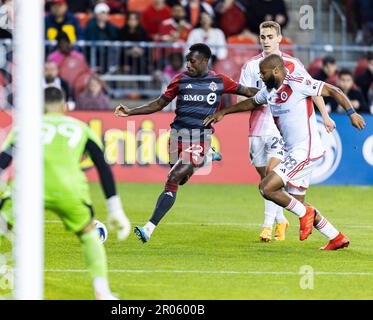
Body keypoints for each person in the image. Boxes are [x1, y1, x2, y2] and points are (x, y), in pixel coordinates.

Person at [0, 87, 131, 300]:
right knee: (88, 234)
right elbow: (102, 167)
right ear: (65, 107)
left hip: (28, 188)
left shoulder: (27, 127)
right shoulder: (80, 127)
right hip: (68, 189)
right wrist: (115, 209)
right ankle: (102, 291)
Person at [204, 54, 366, 250]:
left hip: (304, 149)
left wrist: (351, 113)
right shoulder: (269, 90)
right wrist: (224, 112)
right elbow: (252, 102)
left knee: (267, 187)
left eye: (263, 73)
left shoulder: (298, 83)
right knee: (296, 202)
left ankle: (306, 215)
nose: (261, 77)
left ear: (276, 71)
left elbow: (334, 90)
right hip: (293, 151)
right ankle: (336, 237)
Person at [114, 43, 259, 243]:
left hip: (200, 138)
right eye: (187, 61)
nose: (188, 65)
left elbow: (249, 91)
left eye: (192, 61)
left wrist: (274, 89)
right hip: (177, 137)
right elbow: (158, 103)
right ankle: (208, 156)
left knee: (173, 177)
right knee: (180, 178)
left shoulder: (219, 81)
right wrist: (131, 111)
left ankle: (148, 228)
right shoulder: (180, 80)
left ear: (204, 61)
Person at [237, 21, 335, 242]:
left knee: (272, 178)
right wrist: (261, 96)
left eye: (270, 36)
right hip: (257, 128)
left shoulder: (292, 64)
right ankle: (281, 219)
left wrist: (325, 116)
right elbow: (241, 95)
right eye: (263, 37)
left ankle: (266, 227)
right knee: (266, 182)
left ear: (279, 38)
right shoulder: (251, 66)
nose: (266, 41)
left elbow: (313, 88)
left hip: (279, 129)